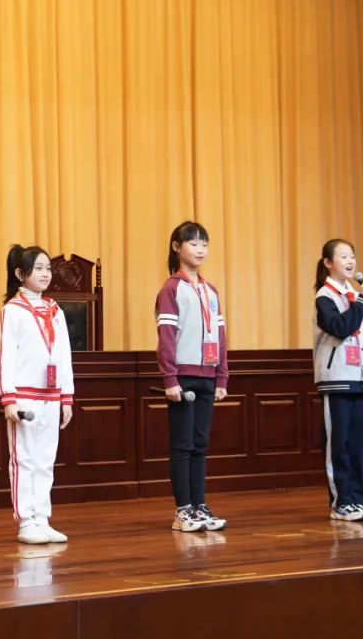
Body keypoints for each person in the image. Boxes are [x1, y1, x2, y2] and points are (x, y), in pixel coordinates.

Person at [0, 244, 74, 544]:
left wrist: (67, 396)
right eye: (38, 268)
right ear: (20, 274)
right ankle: (26, 521)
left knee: (45, 460)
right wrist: (9, 399)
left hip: (51, 396)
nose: (45, 274)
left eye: (48, 268)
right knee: (24, 460)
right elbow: (6, 357)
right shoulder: (13, 311)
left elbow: (65, 356)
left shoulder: (55, 311)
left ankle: (42, 517)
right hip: (25, 397)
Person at [155, 221, 228, 532]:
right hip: (183, 376)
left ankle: (199, 505)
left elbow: (220, 336)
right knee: (182, 446)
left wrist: (221, 377)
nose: (200, 250)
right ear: (177, 247)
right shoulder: (172, 289)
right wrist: (170, 378)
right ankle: (183, 510)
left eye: (204, 244)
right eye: (193, 243)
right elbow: (166, 337)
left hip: (208, 376)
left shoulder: (211, 291)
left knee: (200, 444)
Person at [313, 238, 363, 521]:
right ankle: (341, 502)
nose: (350, 261)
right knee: (338, 445)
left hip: (360, 380)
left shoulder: (354, 295)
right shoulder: (324, 297)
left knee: (356, 445)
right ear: (328, 263)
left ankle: (358, 500)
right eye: (343, 256)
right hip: (337, 379)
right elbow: (340, 328)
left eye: (352, 256)